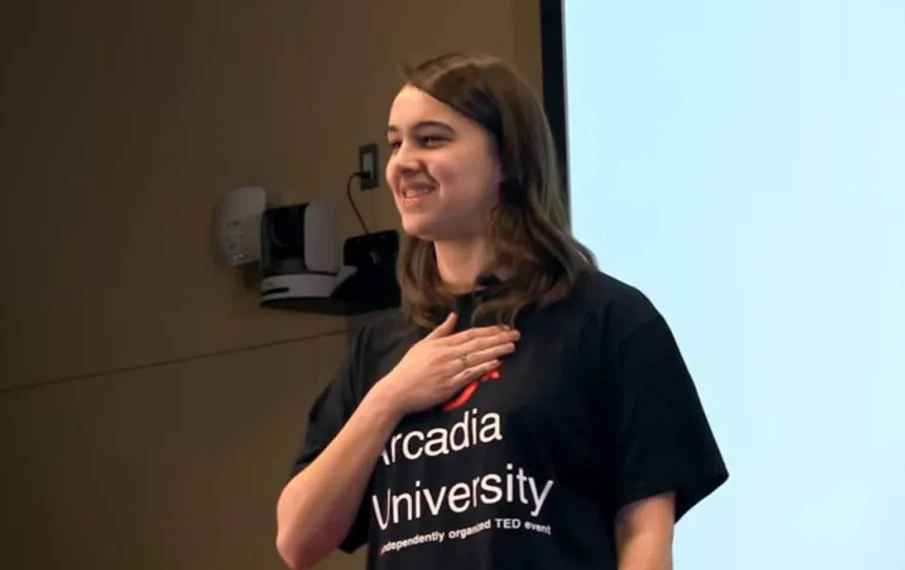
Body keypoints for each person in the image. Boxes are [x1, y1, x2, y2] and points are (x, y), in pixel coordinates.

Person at [275, 52, 728, 570]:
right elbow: (298, 540)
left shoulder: (609, 319)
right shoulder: (380, 349)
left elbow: (644, 531)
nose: (401, 162)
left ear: (508, 160)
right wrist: (389, 399)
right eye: (395, 142)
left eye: (431, 138)